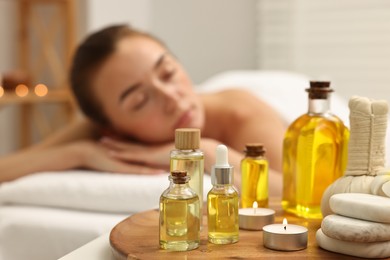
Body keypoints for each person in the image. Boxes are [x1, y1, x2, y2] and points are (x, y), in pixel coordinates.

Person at [0, 24, 286, 195]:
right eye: (139, 101)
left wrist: (207, 153)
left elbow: (300, 194)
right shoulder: (102, 131)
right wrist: (81, 153)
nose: (171, 98)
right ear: (111, 128)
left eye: (168, 73)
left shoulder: (240, 114)